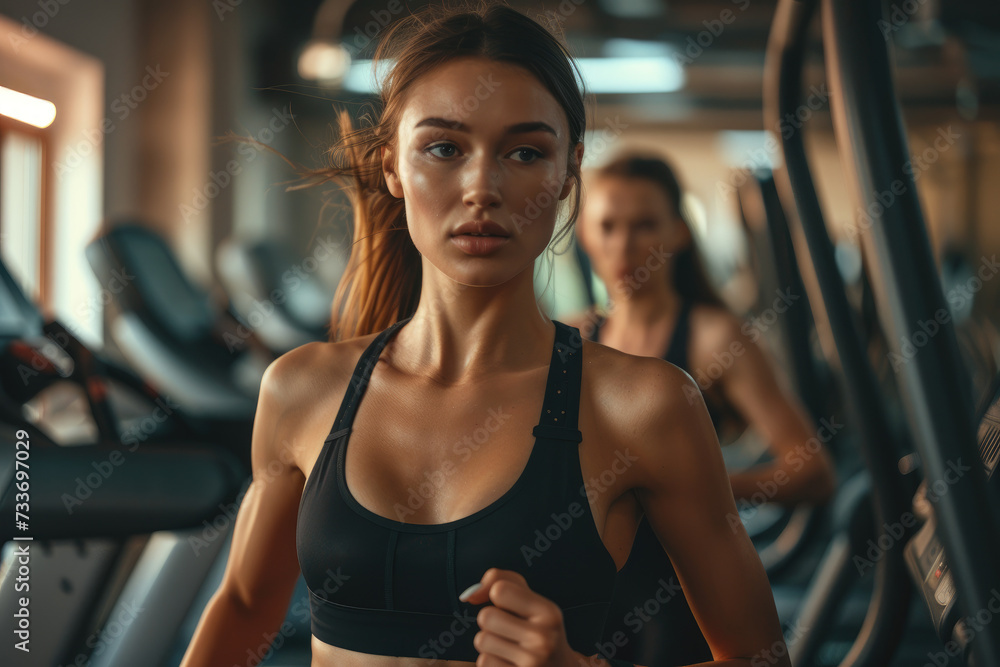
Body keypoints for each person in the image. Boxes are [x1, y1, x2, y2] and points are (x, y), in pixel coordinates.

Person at [180, 4, 791, 666]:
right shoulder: (301, 388)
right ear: (392, 166)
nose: (482, 187)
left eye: (525, 152)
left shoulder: (646, 404)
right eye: (444, 148)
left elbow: (761, 657)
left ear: (567, 172)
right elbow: (242, 609)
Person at [569, 154, 838, 665]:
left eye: (644, 225)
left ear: (678, 233)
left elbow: (814, 473)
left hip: (681, 595)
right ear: (584, 234)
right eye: (607, 226)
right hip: (595, 593)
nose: (623, 246)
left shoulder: (715, 339)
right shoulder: (574, 337)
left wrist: (700, 490)